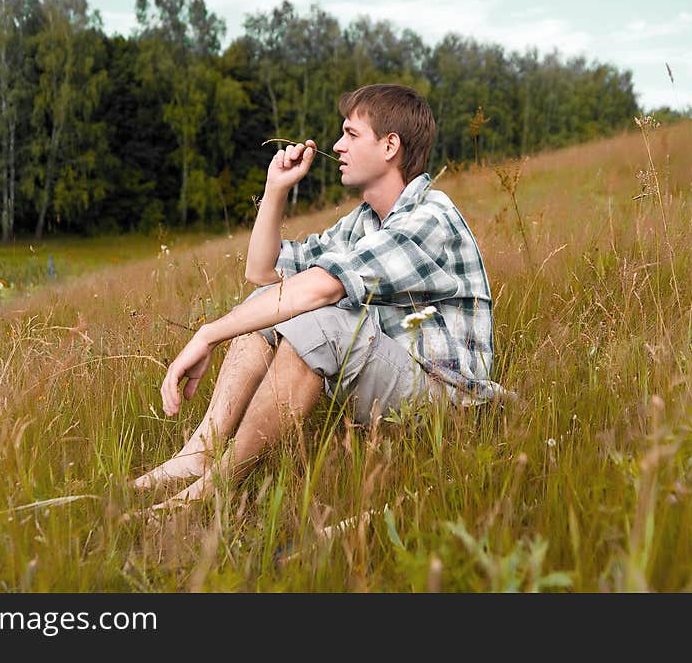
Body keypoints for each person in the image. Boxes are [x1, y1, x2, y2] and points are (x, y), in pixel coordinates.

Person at [132, 83, 510, 509]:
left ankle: (216, 487)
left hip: (448, 402)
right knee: (269, 308)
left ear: (390, 146)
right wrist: (276, 188)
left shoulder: (430, 216)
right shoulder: (362, 223)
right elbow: (263, 273)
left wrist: (207, 334)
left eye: (350, 134)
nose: (336, 146)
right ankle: (197, 455)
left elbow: (321, 289)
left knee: (320, 320)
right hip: (393, 384)